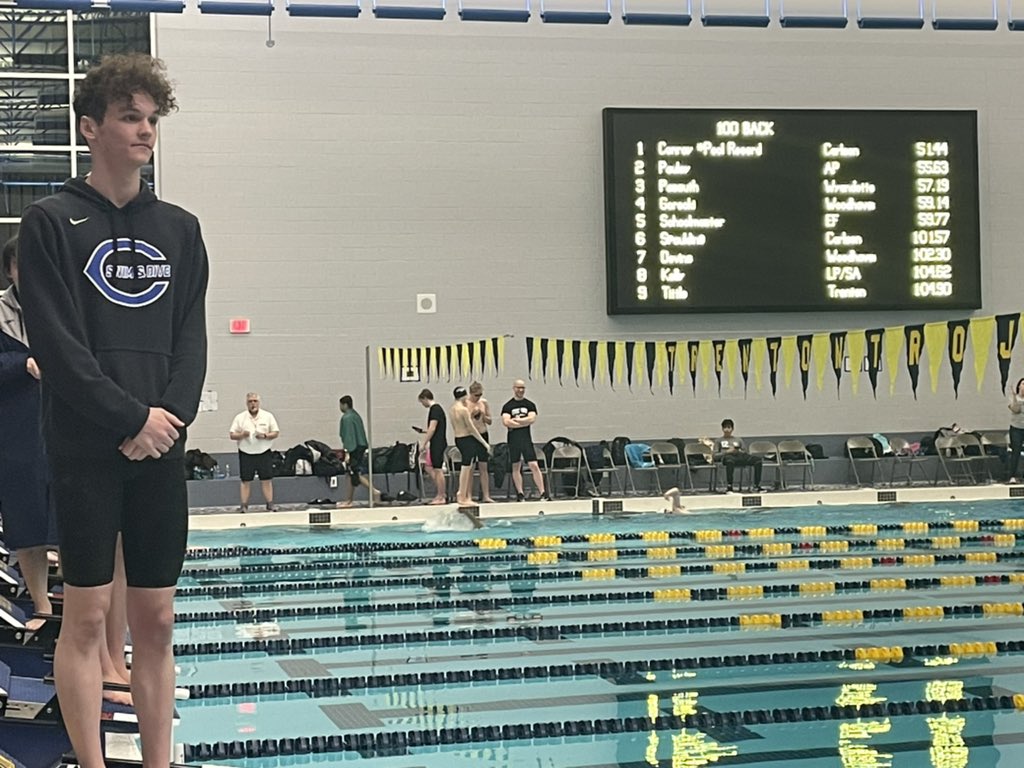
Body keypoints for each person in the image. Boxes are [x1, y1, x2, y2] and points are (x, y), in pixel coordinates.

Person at [18, 54, 209, 768]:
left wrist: (168, 418)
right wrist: (131, 419)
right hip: (86, 448)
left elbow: (190, 338)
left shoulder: (180, 230)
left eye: (151, 118)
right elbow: (59, 347)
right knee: (89, 618)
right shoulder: (50, 222)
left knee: (156, 618)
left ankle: (159, 762)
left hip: (160, 446)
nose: (144, 131)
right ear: (91, 128)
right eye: (130, 117)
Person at [0, 236, 56, 630]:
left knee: (76, 523)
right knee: (27, 525)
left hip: (65, 430)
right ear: (10, 270)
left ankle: (78, 604)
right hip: (16, 433)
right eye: (22, 264)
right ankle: (42, 607)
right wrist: (23, 365)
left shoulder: (69, 308)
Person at [229, 392, 280, 512]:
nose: (253, 404)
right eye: (250, 401)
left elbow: (276, 432)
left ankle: (270, 504)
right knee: (245, 480)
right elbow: (232, 435)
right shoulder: (240, 418)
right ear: (246, 403)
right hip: (246, 453)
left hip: (264, 452)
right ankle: (244, 505)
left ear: (259, 402)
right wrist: (242, 435)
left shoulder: (268, 416)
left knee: (266, 479)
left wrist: (265, 435)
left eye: (255, 401)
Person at [336, 394, 390, 507]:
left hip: (354, 448)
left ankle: (374, 491)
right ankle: (349, 500)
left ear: (345, 405)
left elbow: (348, 436)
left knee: (354, 473)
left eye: (340, 405)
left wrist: (347, 453)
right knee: (351, 474)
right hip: (360, 446)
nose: (340, 407)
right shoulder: (356, 415)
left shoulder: (347, 418)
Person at [502, 379, 549, 502]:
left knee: (534, 464)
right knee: (516, 466)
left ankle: (543, 492)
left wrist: (517, 421)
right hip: (513, 440)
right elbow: (506, 422)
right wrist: (524, 421)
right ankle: (520, 493)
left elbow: (532, 419)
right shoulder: (508, 406)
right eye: (518, 388)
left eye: (522, 388)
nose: (520, 390)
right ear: (514, 388)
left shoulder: (530, 404)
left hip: (526, 439)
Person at [450, 386, 490, 506]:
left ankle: (462, 494)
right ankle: (462, 495)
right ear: (464, 396)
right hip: (467, 439)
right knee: (466, 467)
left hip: (458, 438)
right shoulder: (463, 410)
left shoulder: (452, 409)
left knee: (466, 466)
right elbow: (471, 429)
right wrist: (484, 443)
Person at [416, 388, 448, 505]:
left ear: (425, 398)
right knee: (429, 467)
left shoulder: (435, 409)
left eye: (422, 402)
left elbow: (432, 428)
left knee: (438, 470)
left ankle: (441, 495)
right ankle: (441, 493)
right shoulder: (437, 409)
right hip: (437, 442)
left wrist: (423, 443)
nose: (423, 405)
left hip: (437, 443)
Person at [714, 418, 764, 493]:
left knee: (758, 460)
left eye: (729, 427)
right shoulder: (718, 441)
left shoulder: (738, 440)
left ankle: (756, 485)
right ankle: (730, 486)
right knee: (729, 460)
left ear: (732, 429)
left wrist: (738, 451)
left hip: (739, 456)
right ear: (722, 429)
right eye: (725, 427)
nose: (727, 430)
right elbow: (715, 456)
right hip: (727, 457)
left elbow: (745, 451)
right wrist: (727, 452)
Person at [467, 381, 496, 503]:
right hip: (471, 436)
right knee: (470, 468)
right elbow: (464, 422)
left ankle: (486, 495)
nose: (478, 397)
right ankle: (468, 495)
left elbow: (490, 421)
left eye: (480, 395)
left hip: (483, 434)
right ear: (471, 393)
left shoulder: (484, 403)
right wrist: (472, 415)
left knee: (483, 467)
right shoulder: (465, 404)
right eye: (476, 395)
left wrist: (483, 415)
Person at [1007, 378, 1024, 483]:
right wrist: (1017, 398)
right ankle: (1012, 475)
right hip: (1016, 429)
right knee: (1016, 452)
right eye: (1023, 384)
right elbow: (1015, 410)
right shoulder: (1013, 397)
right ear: (1019, 386)